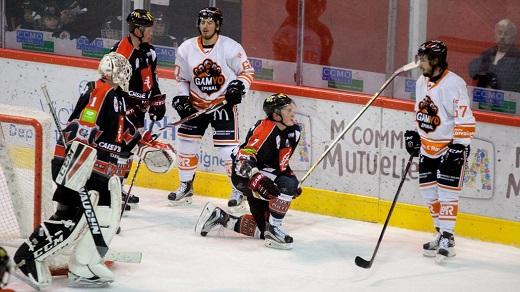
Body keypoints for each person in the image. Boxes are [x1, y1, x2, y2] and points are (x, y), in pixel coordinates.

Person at [12, 52, 145, 288]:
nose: (127, 75)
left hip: (96, 170)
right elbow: (85, 126)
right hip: (78, 165)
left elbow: (123, 134)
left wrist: (143, 141)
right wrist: (78, 165)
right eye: (124, 71)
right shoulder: (100, 90)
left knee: (104, 215)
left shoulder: (117, 98)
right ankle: (27, 257)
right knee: (68, 218)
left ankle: (84, 265)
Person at [169, 7, 255, 208]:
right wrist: (182, 98)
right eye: (202, 22)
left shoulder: (231, 47)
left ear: (217, 25)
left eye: (210, 22)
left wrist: (238, 86)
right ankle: (186, 186)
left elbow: (247, 72)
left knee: (228, 152)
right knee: (186, 146)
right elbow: (182, 78)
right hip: (196, 105)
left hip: (222, 104)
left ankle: (238, 189)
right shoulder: (186, 49)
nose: (205, 26)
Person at [195, 93, 301, 250]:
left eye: (293, 108)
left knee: (262, 228)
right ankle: (275, 229)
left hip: (264, 176)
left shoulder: (294, 131)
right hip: (244, 177)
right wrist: (257, 177)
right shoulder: (265, 129)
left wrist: (289, 181)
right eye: (288, 110)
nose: (293, 113)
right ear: (276, 115)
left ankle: (220, 218)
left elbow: (280, 163)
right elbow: (243, 158)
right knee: (288, 185)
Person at [404, 40, 476, 263]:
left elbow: (464, 117)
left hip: (449, 148)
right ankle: (440, 231)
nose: (419, 64)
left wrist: (459, 145)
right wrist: (417, 133)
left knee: (447, 194)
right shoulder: (420, 82)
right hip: (428, 147)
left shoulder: (454, 84)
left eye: (423, 60)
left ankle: (448, 237)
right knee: (429, 193)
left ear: (435, 60)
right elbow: (420, 110)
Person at [111, 9, 166, 208]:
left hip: (139, 110)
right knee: (119, 149)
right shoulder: (121, 52)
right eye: (148, 29)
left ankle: (119, 188)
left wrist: (157, 100)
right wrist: (131, 105)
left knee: (129, 150)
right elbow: (113, 86)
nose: (152, 32)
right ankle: (112, 190)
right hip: (124, 110)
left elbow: (152, 79)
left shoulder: (150, 51)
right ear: (137, 30)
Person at [468, 19, 520, 93]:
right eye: (500, 32)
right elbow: (472, 71)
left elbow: (509, 83)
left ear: (513, 37)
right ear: (495, 35)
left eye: (506, 33)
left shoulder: (517, 57)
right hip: (483, 100)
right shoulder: (488, 53)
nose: (502, 36)